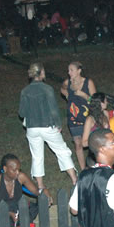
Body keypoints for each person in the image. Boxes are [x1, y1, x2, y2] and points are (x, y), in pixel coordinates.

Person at [19, 62, 78, 191]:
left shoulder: (25, 91)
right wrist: (58, 124)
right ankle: (74, 179)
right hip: (47, 126)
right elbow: (54, 110)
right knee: (62, 151)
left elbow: (21, 112)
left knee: (37, 156)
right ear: (40, 73)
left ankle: (40, 185)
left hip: (32, 128)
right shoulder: (47, 89)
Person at [0, 154, 47, 227]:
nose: (17, 172)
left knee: (26, 215)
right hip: (2, 211)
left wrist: (44, 191)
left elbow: (36, 191)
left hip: (19, 209)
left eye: (19, 169)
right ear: (5, 169)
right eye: (14, 170)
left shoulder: (21, 177)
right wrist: (9, 213)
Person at [61, 62, 97, 170]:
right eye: (68, 70)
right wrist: (66, 94)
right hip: (73, 118)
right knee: (78, 143)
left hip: (87, 119)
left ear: (79, 71)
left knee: (91, 142)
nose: (69, 72)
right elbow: (62, 88)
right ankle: (83, 169)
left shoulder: (88, 82)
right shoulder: (68, 82)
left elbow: (96, 101)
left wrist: (85, 96)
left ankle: (95, 165)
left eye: (71, 70)